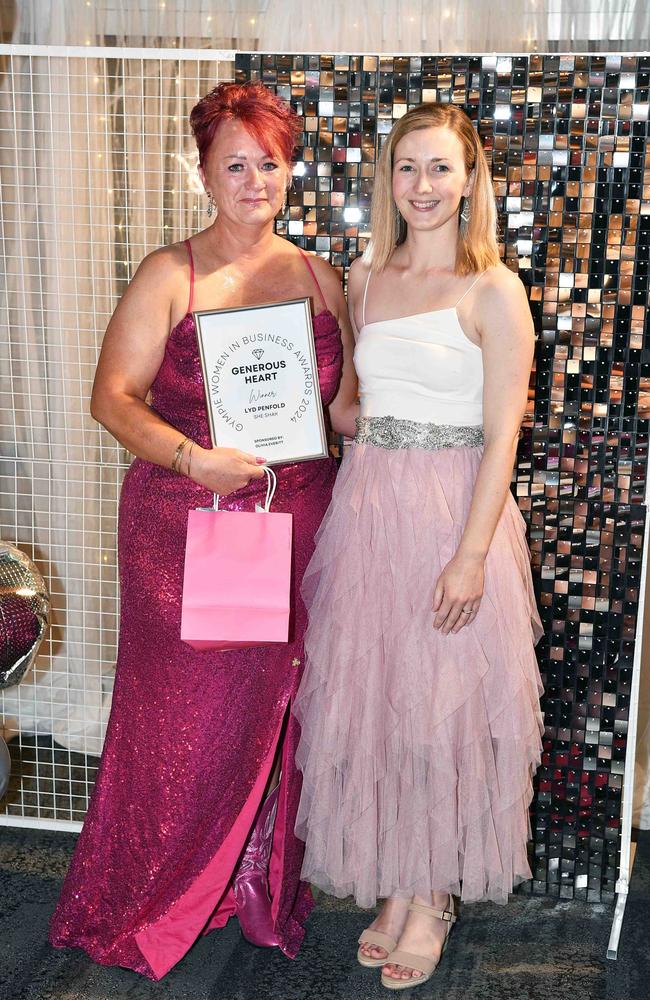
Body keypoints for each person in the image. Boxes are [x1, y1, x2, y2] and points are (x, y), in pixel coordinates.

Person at [49, 81, 358, 980]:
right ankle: (147, 897)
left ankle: (248, 888)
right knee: (185, 722)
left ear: (290, 170)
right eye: (235, 164)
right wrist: (193, 461)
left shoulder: (318, 276)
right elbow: (111, 399)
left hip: (296, 524)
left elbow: (340, 412)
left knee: (272, 717)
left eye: (270, 163)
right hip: (188, 527)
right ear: (204, 172)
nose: (254, 181)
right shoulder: (169, 272)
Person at [293, 102, 544, 991]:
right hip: (369, 510)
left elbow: (503, 435)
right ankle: (397, 886)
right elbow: (353, 405)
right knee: (379, 703)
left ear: (472, 179)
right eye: (408, 168)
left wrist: (473, 553)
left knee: (441, 712)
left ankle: (432, 894)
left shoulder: (493, 290)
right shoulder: (364, 281)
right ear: (387, 180)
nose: (424, 187)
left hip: (452, 513)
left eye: (442, 169)